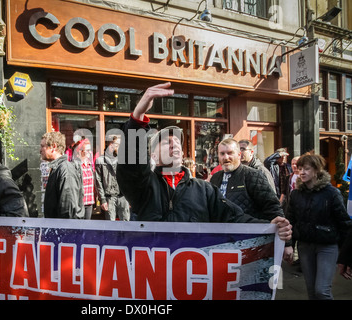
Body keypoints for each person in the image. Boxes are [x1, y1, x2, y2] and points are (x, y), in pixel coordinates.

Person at [116, 82, 292, 243]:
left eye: (177, 142)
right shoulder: (144, 186)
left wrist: (271, 226)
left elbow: (234, 218)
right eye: (167, 142)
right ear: (153, 156)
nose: (175, 145)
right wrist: (138, 116)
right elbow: (131, 166)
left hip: (192, 272)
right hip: (154, 270)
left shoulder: (204, 190)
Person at [286, 153, 352, 299]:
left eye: (306, 169)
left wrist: (346, 257)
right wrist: (288, 245)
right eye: (300, 168)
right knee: (312, 292)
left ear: (317, 170)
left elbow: (345, 224)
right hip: (305, 246)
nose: (302, 172)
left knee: (322, 291)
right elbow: (290, 220)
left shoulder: (331, 193)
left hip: (327, 246)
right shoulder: (296, 194)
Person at [210, 138, 284, 222]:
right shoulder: (215, 178)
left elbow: (272, 206)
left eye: (230, 153)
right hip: (220, 232)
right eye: (222, 154)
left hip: (248, 232)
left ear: (239, 155)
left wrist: (278, 227)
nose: (226, 157)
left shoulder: (253, 175)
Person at [41, 131, 84, 219]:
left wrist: (64, 231)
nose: (40, 150)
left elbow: (69, 210)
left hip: (65, 229)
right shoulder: (58, 168)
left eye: (43, 146)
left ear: (53, 146)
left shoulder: (65, 170)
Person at [95, 135, 130, 221]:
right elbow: (98, 182)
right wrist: (102, 200)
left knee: (126, 225)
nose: (116, 147)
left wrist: (131, 198)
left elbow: (130, 180)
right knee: (110, 226)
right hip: (109, 198)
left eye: (118, 145)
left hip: (123, 197)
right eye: (114, 144)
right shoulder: (100, 161)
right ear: (109, 145)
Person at [74, 138, 95, 219]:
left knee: (87, 227)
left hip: (89, 201)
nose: (90, 152)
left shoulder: (90, 165)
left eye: (90, 150)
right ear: (81, 151)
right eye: (88, 150)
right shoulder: (76, 165)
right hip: (80, 202)